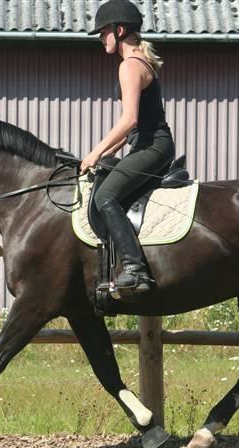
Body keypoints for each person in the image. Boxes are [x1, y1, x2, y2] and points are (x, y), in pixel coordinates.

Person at [81, 0, 175, 294]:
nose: (100, 38)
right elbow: (133, 128)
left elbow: (129, 119)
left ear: (119, 30)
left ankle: (135, 269)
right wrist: (104, 155)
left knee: (105, 196)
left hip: (152, 147)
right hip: (148, 144)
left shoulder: (130, 66)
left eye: (103, 31)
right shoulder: (138, 63)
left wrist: (95, 151)